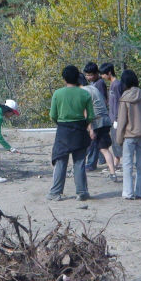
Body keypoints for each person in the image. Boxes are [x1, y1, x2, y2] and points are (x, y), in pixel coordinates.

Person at [47, 65, 95, 202]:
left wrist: (61, 123)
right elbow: (91, 115)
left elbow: (53, 115)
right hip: (80, 129)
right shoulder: (85, 93)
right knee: (79, 162)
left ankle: (55, 193)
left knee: (60, 160)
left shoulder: (58, 93)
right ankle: (81, 192)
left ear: (64, 79)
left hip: (63, 130)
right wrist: (84, 125)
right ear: (78, 77)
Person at [116, 70, 141, 200]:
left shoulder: (125, 98)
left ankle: (128, 192)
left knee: (128, 164)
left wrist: (119, 139)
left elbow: (122, 120)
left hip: (129, 135)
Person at [78, 74, 118, 182]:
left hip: (96, 121)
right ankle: (113, 174)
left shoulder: (83, 91)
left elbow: (86, 112)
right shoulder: (93, 88)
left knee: (84, 147)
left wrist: (90, 129)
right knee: (104, 149)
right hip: (106, 120)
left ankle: (75, 170)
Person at [83, 62, 107, 171]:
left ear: (97, 73)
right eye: (87, 75)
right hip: (96, 116)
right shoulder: (92, 84)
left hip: (97, 116)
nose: (88, 77)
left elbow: (102, 100)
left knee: (93, 140)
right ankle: (101, 159)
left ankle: (92, 163)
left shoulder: (99, 83)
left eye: (91, 75)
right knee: (97, 140)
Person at [100, 62, 123, 170]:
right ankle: (115, 164)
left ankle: (117, 164)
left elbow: (119, 103)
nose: (102, 76)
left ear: (109, 73)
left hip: (116, 119)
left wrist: (117, 119)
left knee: (117, 142)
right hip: (112, 118)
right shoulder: (112, 85)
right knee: (114, 142)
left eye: (103, 74)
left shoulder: (117, 85)